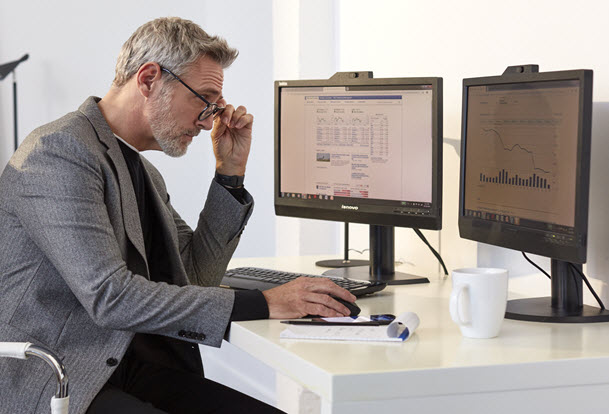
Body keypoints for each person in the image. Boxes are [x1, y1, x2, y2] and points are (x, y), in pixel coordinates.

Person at [0, 17, 356, 414]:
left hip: (123, 364)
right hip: (60, 375)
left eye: (215, 108)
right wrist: (264, 302)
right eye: (204, 101)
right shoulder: (58, 153)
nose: (208, 122)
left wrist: (230, 173)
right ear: (149, 78)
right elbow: (110, 297)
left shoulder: (141, 171)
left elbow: (196, 276)